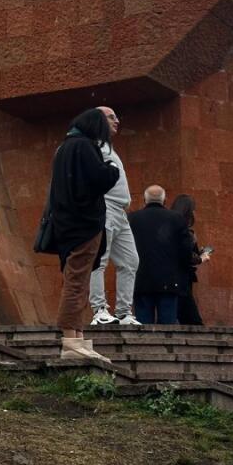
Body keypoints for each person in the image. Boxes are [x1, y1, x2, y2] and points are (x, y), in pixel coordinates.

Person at [48, 109, 120, 361]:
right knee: (77, 282)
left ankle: (77, 337)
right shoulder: (84, 147)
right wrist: (111, 168)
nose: (115, 123)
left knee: (78, 281)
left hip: (69, 226)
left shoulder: (66, 148)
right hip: (83, 226)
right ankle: (70, 339)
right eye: (109, 119)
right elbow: (100, 178)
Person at [88, 106, 140, 327]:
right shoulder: (93, 146)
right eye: (111, 117)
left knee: (130, 261)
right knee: (99, 259)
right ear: (98, 120)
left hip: (120, 211)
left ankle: (123, 312)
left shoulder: (109, 147)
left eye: (117, 116)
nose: (116, 120)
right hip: (105, 206)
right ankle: (99, 310)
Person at [128, 185, 200, 324]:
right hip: (169, 281)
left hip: (141, 279)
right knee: (168, 327)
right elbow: (185, 251)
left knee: (143, 326)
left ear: (144, 200)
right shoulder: (177, 219)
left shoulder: (132, 218)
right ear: (165, 200)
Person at [169, 194, 208, 326]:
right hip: (181, 280)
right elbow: (185, 255)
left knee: (176, 315)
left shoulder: (168, 227)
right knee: (192, 319)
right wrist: (201, 259)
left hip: (171, 278)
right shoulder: (183, 230)